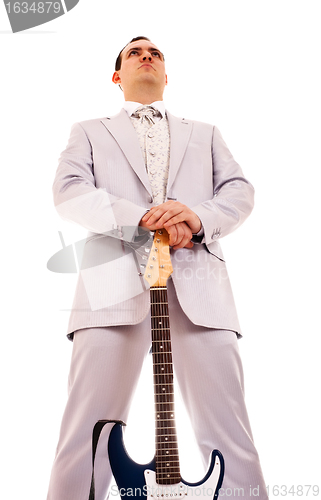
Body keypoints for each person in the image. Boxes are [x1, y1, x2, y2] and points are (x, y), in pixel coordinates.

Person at [46, 36, 268, 500]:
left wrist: (197, 218)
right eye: (134, 54)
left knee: (231, 433)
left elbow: (238, 191)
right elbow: (69, 190)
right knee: (87, 436)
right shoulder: (88, 129)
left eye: (155, 55)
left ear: (166, 76)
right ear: (117, 76)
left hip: (198, 287)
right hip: (111, 288)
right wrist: (142, 219)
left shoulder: (205, 132)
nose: (146, 57)